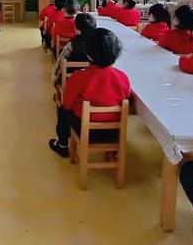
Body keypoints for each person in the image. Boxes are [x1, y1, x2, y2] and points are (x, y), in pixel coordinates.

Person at [49, 28, 131, 158]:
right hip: (114, 132)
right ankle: (114, 151)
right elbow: (126, 99)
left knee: (63, 110)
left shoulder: (78, 77)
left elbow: (67, 104)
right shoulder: (123, 77)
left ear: (89, 54)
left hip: (85, 130)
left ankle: (62, 145)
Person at [53, 13, 97, 86]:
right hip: (93, 82)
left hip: (72, 81)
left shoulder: (71, 45)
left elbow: (59, 63)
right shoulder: (98, 44)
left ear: (76, 29)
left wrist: (55, 78)